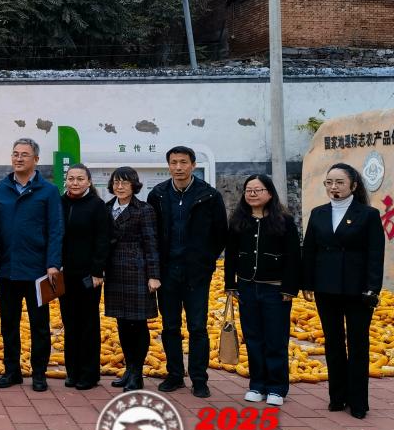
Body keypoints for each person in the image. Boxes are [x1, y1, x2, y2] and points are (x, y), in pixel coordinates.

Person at [302, 163, 385, 419]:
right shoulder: (318, 213)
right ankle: (337, 397)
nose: (333, 187)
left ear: (353, 185)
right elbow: (310, 250)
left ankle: (358, 402)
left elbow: (375, 254)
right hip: (326, 288)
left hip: (357, 290)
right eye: (329, 182)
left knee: (358, 344)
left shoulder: (368, 214)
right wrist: (307, 282)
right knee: (333, 342)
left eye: (339, 182)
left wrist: (373, 288)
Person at [147, 146, 227, 399]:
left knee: (197, 327)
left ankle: (199, 379)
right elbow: (151, 232)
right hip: (167, 272)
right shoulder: (158, 194)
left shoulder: (209, 196)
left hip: (196, 274)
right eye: (174, 162)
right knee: (170, 326)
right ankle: (174, 374)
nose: (178, 167)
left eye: (183, 162)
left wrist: (204, 261)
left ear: (193, 165)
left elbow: (220, 234)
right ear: (168, 165)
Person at [0, 138, 63, 392]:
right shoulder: (1, 188)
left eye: (24, 154)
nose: (18, 158)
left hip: (39, 270)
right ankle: (12, 371)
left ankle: (39, 373)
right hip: (7, 268)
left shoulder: (49, 191)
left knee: (39, 324)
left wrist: (53, 263)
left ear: (36, 160)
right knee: (9, 323)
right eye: (15, 154)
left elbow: (56, 229)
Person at [224, 174, 300, 407]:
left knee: (275, 339)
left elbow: (294, 256)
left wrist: (289, 288)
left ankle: (277, 387)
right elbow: (231, 254)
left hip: (275, 289)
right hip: (247, 286)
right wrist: (230, 283)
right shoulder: (238, 220)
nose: (252, 194)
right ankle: (257, 384)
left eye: (258, 190)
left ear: (269, 193)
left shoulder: (284, 221)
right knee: (253, 337)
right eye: (249, 190)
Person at [103, 167, 160, 393]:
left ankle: (137, 373)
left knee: (138, 324)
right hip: (114, 272)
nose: (120, 187)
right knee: (122, 323)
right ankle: (128, 368)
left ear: (134, 185)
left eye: (125, 183)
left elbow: (151, 243)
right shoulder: (107, 208)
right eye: (116, 182)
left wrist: (154, 275)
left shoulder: (144, 210)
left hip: (137, 271)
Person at [59, 164, 112, 390]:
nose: (75, 183)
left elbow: (103, 239)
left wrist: (98, 270)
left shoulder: (97, 206)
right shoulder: (60, 203)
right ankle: (73, 371)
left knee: (88, 323)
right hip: (64, 273)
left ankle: (89, 374)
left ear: (89, 182)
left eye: (80, 179)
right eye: (71, 178)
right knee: (69, 322)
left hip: (88, 275)